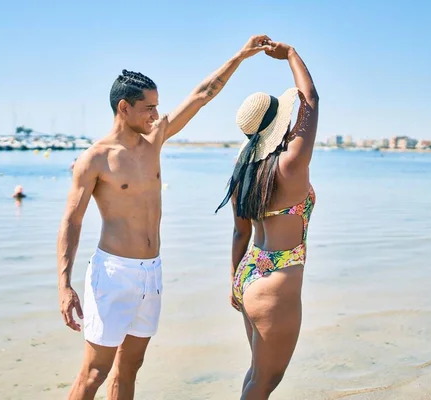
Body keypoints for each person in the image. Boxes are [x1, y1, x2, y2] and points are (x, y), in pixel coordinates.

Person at [57, 35, 274, 400]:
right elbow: (71, 222)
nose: (156, 115)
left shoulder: (154, 140)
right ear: (123, 108)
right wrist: (64, 284)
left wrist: (240, 55)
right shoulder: (95, 159)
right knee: (94, 372)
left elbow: (203, 93)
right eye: (149, 108)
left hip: (150, 274)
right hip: (112, 275)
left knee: (129, 371)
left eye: (157, 107)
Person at [215, 40, 319, 399]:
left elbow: (238, 231)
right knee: (265, 381)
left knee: (257, 375)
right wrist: (290, 55)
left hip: (249, 272)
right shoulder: (290, 164)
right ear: (281, 121)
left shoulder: (243, 169)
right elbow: (312, 101)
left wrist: (234, 281)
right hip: (276, 283)